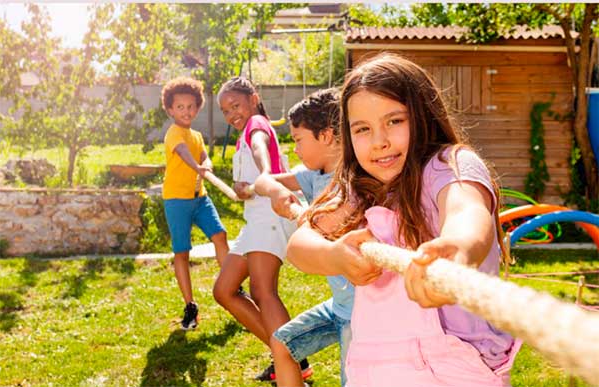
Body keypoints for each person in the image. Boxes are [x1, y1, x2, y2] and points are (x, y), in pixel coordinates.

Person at [286, 54, 522, 387]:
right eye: (363, 129)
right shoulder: (361, 189)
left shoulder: (449, 165)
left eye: (395, 121)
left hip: (459, 369)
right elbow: (299, 244)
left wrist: (457, 251)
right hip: (379, 367)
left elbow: (466, 210)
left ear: (423, 116)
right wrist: (333, 255)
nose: (380, 140)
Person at [212, 76, 311, 382]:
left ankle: (290, 364)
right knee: (224, 290)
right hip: (256, 220)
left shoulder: (256, 124)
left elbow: (259, 148)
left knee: (262, 291)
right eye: (226, 111)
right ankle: (290, 356)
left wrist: (265, 175)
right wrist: (248, 187)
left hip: (271, 215)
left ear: (253, 98)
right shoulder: (245, 133)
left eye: (236, 105)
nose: (232, 114)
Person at [253, 88, 353, 386]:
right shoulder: (314, 176)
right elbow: (262, 181)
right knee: (282, 345)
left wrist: (303, 212)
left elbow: (325, 229)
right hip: (339, 305)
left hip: (363, 314)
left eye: (298, 140)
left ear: (326, 135)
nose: (294, 148)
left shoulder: (356, 181)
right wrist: (277, 191)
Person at [161, 77, 229, 330]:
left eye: (191, 106)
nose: (186, 111)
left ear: (197, 108)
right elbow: (184, 153)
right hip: (176, 200)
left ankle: (232, 285)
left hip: (200, 198)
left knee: (220, 235)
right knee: (182, 251)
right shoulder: (173, 133)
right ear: (170, 110)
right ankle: (190, 305)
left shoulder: (197, 135)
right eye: (180, 107)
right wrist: (198, 166)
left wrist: (207, 164)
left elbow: (202, 154)